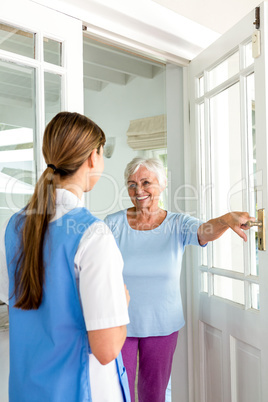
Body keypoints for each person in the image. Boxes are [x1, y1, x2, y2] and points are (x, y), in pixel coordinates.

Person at [0, 112, 131, 402]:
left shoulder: (14, 227)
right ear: (92, 159)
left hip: (27, 389)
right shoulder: (94, 235)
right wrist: (121, 304)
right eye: (102, 152)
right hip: (82, 391)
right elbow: (107, 350)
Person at [104, 157, 254, 402]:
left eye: (145, 182)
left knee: (154, 392)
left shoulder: (178, 224)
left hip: (162, 322)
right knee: (118, 392)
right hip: (120, 322)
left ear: (162, 185)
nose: (138, 190)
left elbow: (205, 230)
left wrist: (226, 220)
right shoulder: (113, 223)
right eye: (131, 184)